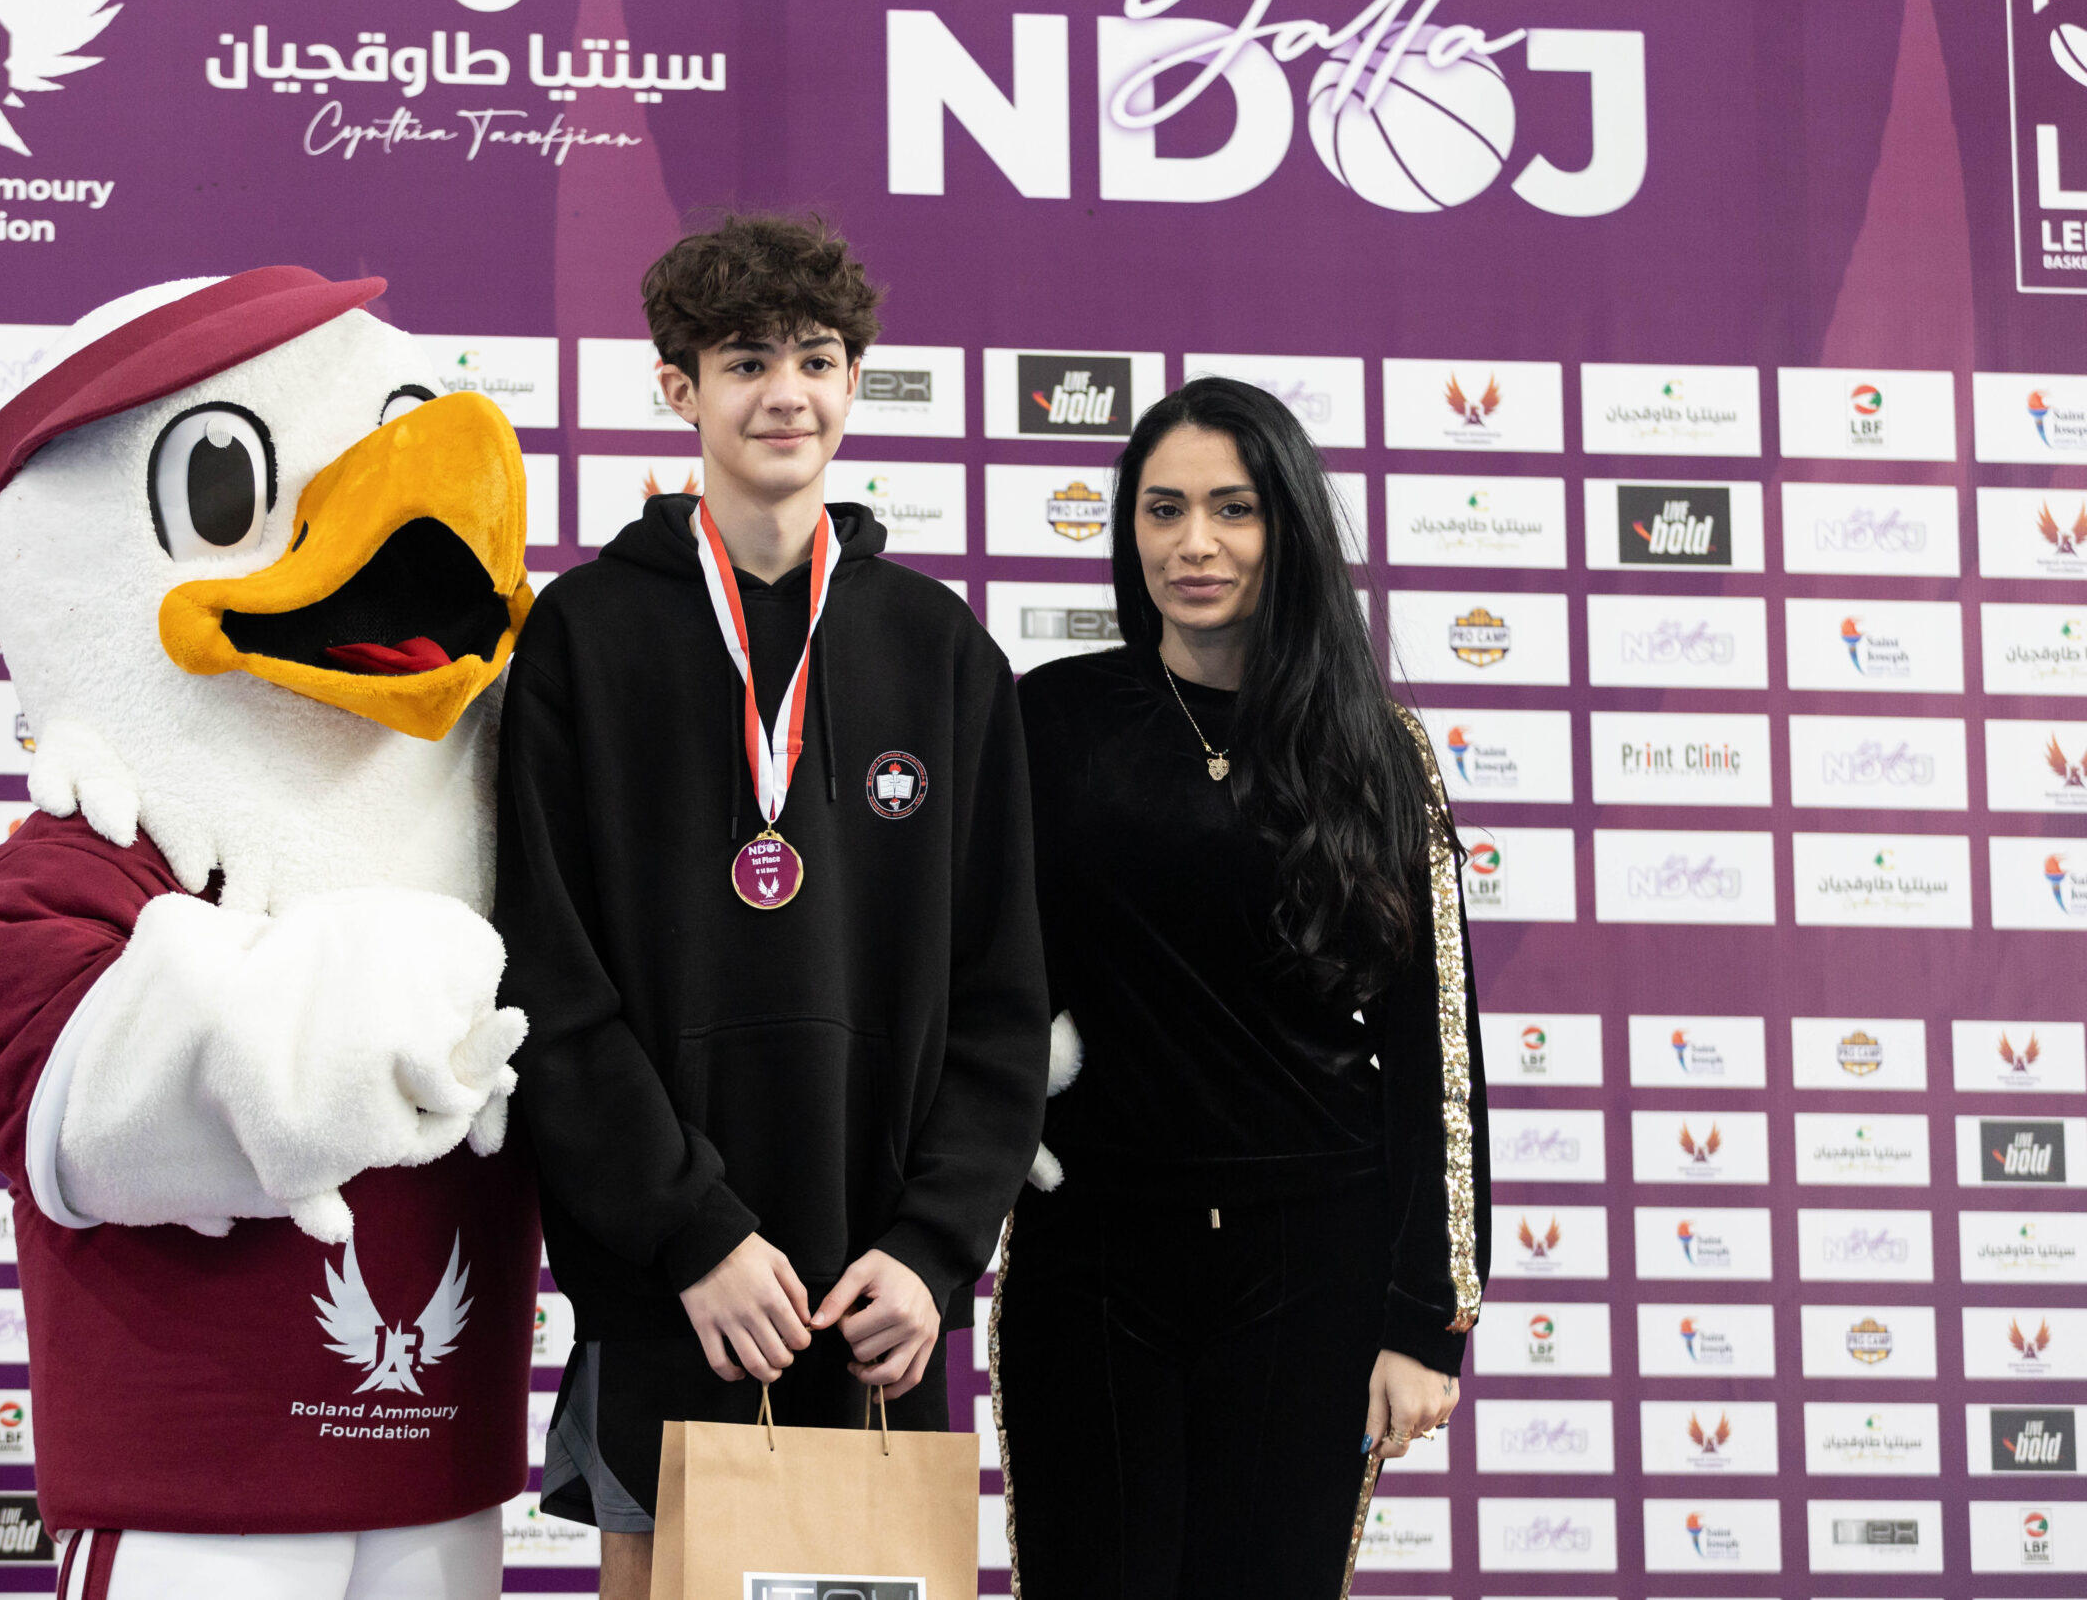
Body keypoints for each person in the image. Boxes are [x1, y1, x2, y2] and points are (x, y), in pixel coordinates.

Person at [493, 214, 1049, 1598]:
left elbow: (1001, 999)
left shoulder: (941, 651)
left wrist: (931, 1249)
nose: (785, 393)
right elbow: (547, 980)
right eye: (745, 361)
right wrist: (689, 1231)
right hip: (673, 1281)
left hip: (878, 1299)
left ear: (855, 379)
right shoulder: (582, 636)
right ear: (677, 387)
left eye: (815, 358)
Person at [993, 376, 1491, 1598]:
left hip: (1309, 1268)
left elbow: (1435, 1048)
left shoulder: (1373, 747)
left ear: (1289, 528)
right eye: (1162, 510)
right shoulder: (1047, 720)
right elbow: (973, 982)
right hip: (1092, 1258)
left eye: (1233, 509)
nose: (1194, 544)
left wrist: (1425, 1322)